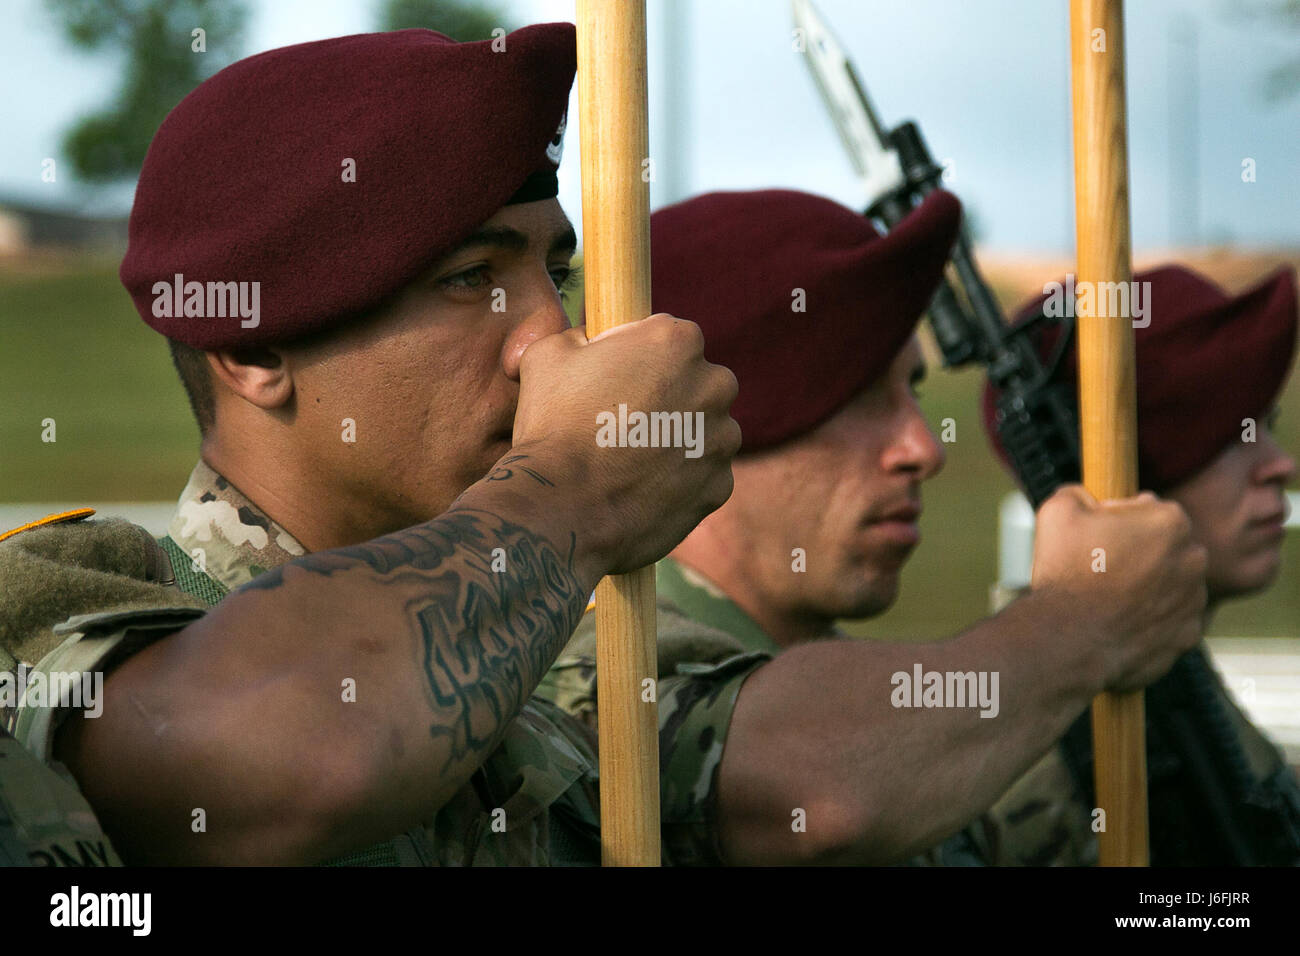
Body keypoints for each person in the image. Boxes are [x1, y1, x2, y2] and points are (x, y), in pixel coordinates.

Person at [1, 32, 1204, 867]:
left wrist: (1081, 620)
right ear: (252, 344)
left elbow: (811, 782)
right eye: (471, 277)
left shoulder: (563, 663)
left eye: (553, 269)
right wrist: (576, 488)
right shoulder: (71, 600)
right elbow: (279, 752)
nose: (549, 336)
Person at [537, 189, 1212, 864]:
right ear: (712, 431)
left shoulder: (914, 735)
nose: (924, 448)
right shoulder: (603, 662)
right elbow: (815, 794)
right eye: (861, 395)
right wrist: (1086, 621)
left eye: (913, 392)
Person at [977, 263, 1299, 865]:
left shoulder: (1172, 683)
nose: (1280, 466)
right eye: (1232, 437)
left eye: (1266, 426)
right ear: (1124, 479)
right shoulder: (1041, 765)